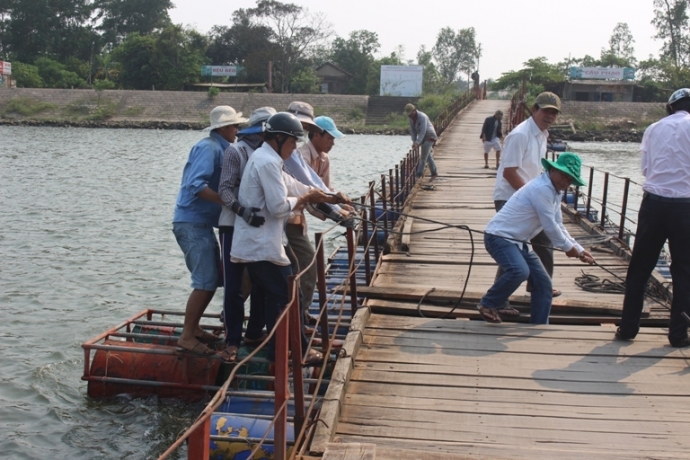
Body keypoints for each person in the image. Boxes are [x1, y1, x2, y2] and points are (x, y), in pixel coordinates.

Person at [230, 112, 347, 364]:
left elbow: (297, 186)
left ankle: (279, 352)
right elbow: (279, 207)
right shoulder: (267, 162)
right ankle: (296, 352)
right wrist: (305, 200)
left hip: (265, 245)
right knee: (288, 297)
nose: (295, 148)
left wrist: (331, 197)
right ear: (279, 139)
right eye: (293, 142)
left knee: (279, 297)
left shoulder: (269, 158)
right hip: (260, 247)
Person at [478, 153, 596, 324]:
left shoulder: (554, 192)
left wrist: (578, 248)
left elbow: (558, 224)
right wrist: (568, 249)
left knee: (544, 284)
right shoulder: (542, 189)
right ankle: (488, 303)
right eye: (564, 175)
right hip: (499, 237)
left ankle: (540, 324)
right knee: (519, 271)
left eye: (570, 179)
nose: (566, 181)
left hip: (519, 242)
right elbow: (550, 227)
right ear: (553, 169)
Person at [616, 88, 690, 347]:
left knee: (639, 268)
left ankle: (627, 329)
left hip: (653, 205)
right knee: (684, 271)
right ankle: (678, 334)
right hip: (685, 207)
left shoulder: (653, 129)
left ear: (670, 107)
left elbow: (646, 169)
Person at [172, 106, 247, 356]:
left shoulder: (222, 148)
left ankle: (192, 329)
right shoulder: (209, 147)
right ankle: (186, 336)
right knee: (205, 281)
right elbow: (196, 185)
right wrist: (230, 203)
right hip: (192, 222)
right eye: (235, 126)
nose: (237, 131)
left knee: (212, 279)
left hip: (201, 223)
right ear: (225, 128)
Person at [217, 106, 276, 362]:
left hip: (261, 226)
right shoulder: (237, 151)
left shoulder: (270, 153)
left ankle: (254, 332)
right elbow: (225, 189)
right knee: (234, 285)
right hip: (233, 223)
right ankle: (232, 340)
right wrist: (242, 210)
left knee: (263, 281)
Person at [493, 92, 562, 301]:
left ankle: (541, 286)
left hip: (528, 195)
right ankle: (497, 299)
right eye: (545, 111)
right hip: (511, 197)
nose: (549, 116)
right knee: (513, 247)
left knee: (543, 241)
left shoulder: (542, 135)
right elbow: (509, 172)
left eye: (554, 113)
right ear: (534, 110)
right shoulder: (520, 134)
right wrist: (532, 198)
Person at [298, 115, 345, 189]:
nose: (333, 143)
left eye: (333, 139)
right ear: (316, 135)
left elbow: (327, 188)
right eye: (329, 139)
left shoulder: (325, 158)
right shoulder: (303, 157)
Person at [404, 103, 438, 180]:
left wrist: (417, 142)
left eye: (411, 113)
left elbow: (423, 131)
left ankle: (418, 175)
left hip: (430, 136)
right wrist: (414, 141)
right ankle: (434, 173)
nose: (410, 116)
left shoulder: (422, 117)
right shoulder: (411, 119)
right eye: (408, 114)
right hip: (423, 138)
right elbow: (413, 131)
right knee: (428, 156)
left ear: (414, 110)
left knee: (423, 157)